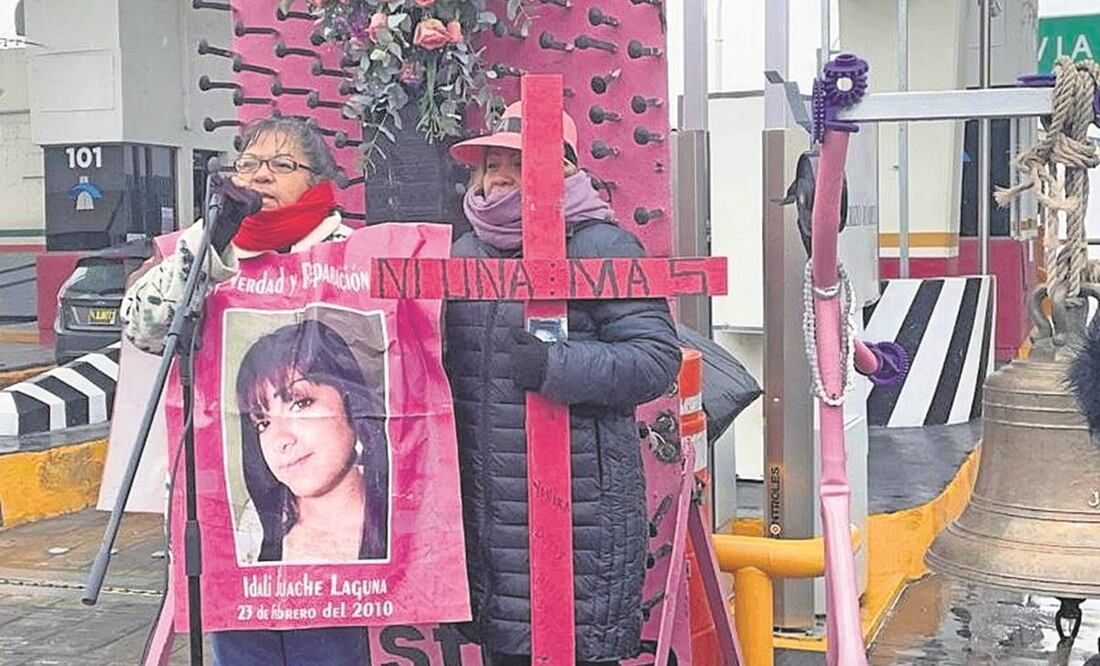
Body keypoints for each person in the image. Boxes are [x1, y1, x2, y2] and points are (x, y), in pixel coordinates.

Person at [121, 116, 368, 666]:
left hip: (333, 553)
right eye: (248, 164)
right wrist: (210, 239)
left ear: (318, 180)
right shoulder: (205, 247)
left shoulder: (353, 253)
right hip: (226, 511)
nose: (260, 177)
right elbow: (142, 328)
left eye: (282, 166)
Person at [444, 101, 682, 665]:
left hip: (582, 514)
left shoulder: (600, 244)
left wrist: (557, 366)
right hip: (488, 513)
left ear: (564, 168)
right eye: (490, 163)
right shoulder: (463, 253)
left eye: (516, 162)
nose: (496, 175)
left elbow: (655, 358)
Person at [235, 319, 388, 564]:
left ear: (352, 405)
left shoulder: (405, 512)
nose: (281, 440)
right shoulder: (254, 527)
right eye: (262, 423)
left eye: (300, 403)